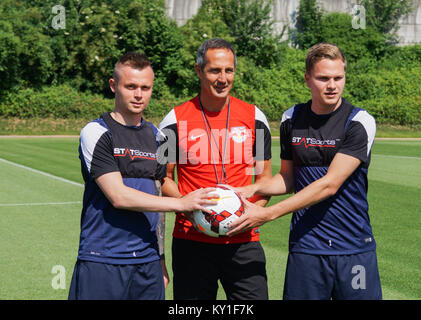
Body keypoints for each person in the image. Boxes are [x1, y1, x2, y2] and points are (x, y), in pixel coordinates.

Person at [228, 42, 382, 300]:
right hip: (307, 248)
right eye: (323, 78)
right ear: (308, 79)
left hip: (353, 248)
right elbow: (288, 178)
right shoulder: (291, 118)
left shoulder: (359, 122)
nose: (332, 85)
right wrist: (251, 188)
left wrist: (268, 214)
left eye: (338, 77)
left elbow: (330, 184)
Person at [68, 52, 215, 300]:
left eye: (145, 88)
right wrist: (181, 203)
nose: (139, 94)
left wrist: (161, 259)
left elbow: (158, 194)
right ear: (114, 86)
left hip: (147, 263)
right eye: (131, 86)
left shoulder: (159, 136)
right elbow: (119, 196)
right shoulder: (96, 132)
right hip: (103, 259)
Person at [158, 38, 273, 300]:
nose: (223, 78)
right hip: (191, 242)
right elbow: (163, 179)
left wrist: (253, 214)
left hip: (244, 241)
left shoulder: (255, 118)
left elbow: (264, 179)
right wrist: (186, 205)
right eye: (214, 70)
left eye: (228, 70)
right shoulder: (174, 120)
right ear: (199, 71)